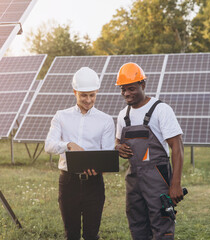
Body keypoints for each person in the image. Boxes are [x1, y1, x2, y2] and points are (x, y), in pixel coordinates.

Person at [114, 62, 185, 240]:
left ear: (142, 85)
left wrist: (175, 183)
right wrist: (117, 147)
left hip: (157, 176)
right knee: (137, 224)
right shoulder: (123, 115)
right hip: (133, 178)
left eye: (131, 88)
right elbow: (117, 140)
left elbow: (177, 146)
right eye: (123, 90)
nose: (126, 94)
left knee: (161, 225)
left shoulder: (161, 109)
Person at [45, 67, 115, 240]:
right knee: (72, 235)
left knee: (92, 235)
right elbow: (49, 145)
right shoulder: (61, 116)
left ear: (97, 92)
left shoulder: (105, 120)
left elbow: (106, 154)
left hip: (94, 184)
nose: (88, 100)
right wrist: (68, 144)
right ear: (75, 92)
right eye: (84, 95)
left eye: (92, 95)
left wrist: (99, 169)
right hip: (68, 182)